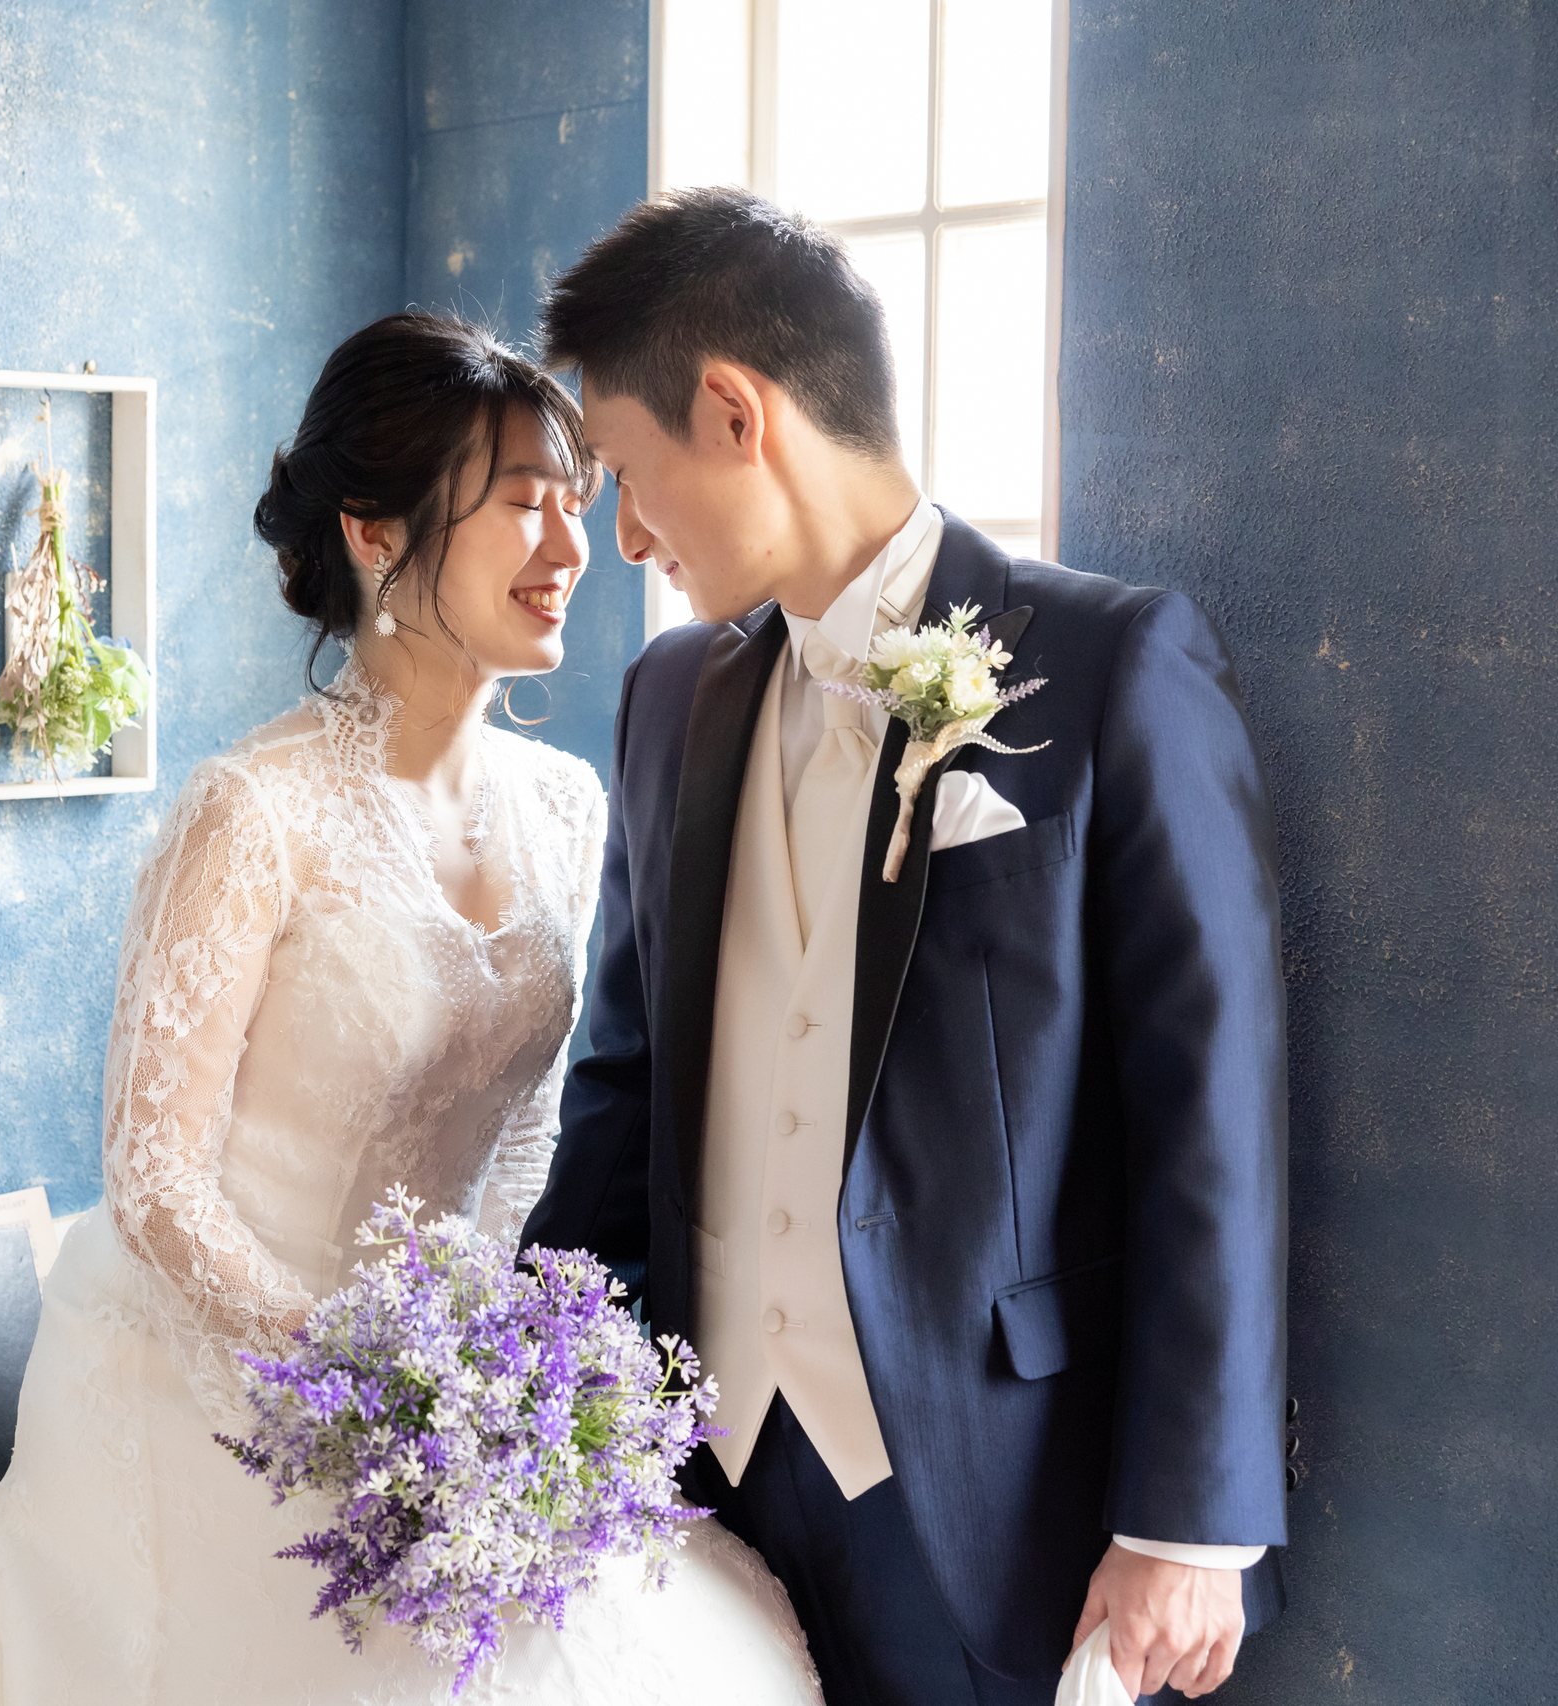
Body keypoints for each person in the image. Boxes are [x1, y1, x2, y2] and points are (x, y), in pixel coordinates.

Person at [0, 312, 821, 1704]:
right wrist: (360, 1389)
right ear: (374, 533)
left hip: (451, 1395)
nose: (571, 549)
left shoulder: (566, 808)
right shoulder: (252, 811)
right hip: (215, 1385)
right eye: (525, 505)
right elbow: (153, 1177)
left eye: (577, 502)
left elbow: (530, 1143)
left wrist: (494, 1384)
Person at [524, 186, 1289, 1706]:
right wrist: (526, 1400)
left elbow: (1211, 1109)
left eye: (626, 473)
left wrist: (1188, 1523)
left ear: (733, 412)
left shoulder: (1111, 665)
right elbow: (622, 1087)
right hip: (704, 1481)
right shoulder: (668, 700)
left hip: (994, 1495)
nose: (626, 535)